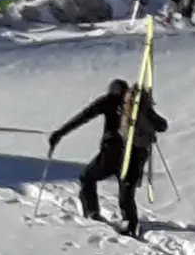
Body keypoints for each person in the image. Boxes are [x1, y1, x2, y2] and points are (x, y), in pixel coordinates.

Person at [47, 79, 168, 237]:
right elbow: (163, 126)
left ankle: (92, 213)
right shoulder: (138, 107)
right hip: (136, 156)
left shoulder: (108, 101)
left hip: (110, 153)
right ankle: (130, 224)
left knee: (87, 177)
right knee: (126, 193)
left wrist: (60, 133)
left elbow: (84, 116)